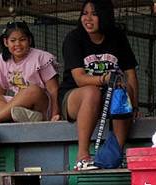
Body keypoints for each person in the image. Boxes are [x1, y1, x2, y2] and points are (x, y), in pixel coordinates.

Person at [58, 0, 139, 171]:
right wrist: (105, 78)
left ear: (105, 16)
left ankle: (115, 152)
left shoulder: (117, 37)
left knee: (122, 88)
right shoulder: (74, 38)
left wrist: (135, 105)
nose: (88, 18)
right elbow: (80, 78)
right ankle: (82, 156)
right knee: (91, 92)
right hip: (75, 97)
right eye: (84, 13)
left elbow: (130, 74)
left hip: (108, 97)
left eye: (94, 14)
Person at [0, 21, 60, 124]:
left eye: (22, 40)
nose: (17, 44)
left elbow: (54, 90)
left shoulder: (41, 57)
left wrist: (54, 115)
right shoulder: (1, 61)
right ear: (6, 42)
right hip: (17, 107)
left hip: (40, 106)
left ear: (29, 40)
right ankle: (16, 117)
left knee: (33, 90)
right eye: (13, 40)